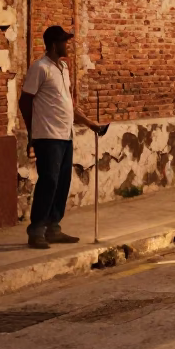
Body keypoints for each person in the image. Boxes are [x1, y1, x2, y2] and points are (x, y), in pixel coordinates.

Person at [20, 24, 107, 250]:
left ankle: (54, 227)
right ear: (53, 44)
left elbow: (68, 107)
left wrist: (90, 124)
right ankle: (37, 229)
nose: (67, 45)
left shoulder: (63, 69)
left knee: (62, 183)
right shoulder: (40, 68)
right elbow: (25, 101)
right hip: (47, 135)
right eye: (64, 41)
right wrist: (32, 132)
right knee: (48, 181)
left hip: (65, 135)